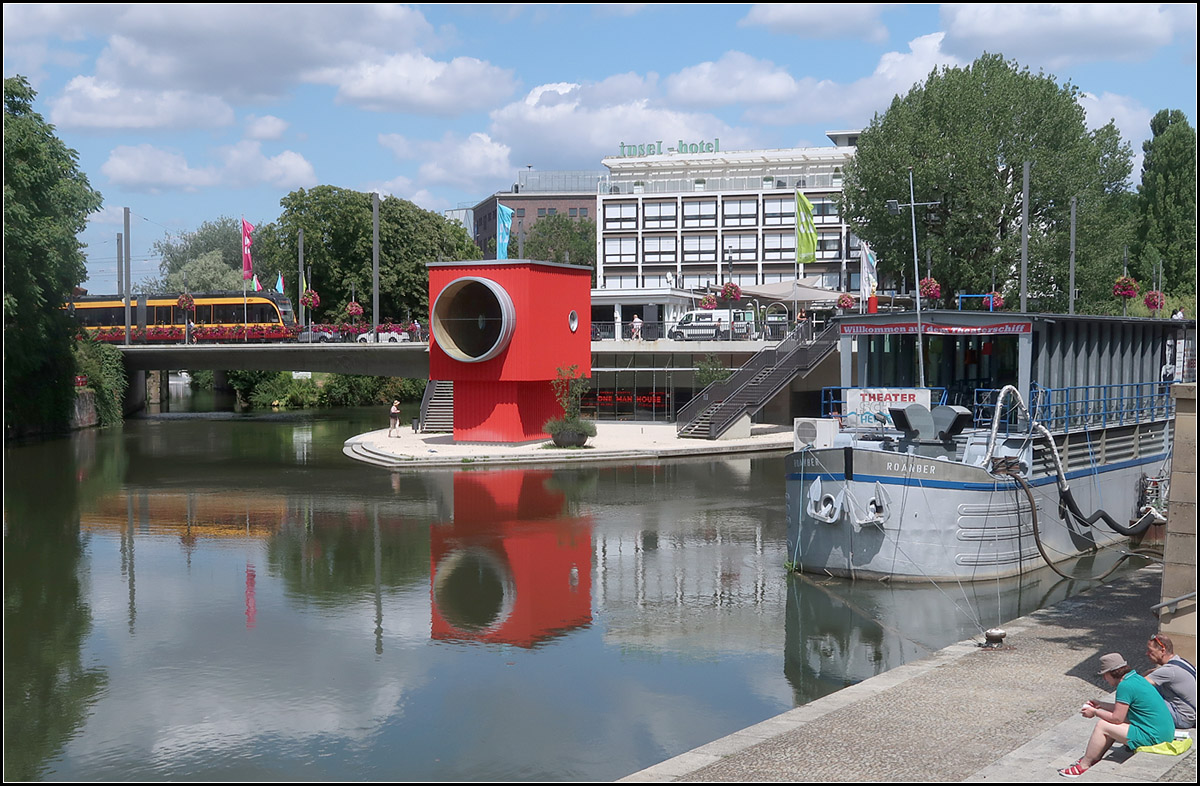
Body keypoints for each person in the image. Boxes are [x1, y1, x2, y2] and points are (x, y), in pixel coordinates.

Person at [1059, 652, 1175, 777]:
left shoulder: (1124, 686)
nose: (1104, 679)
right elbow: (1123, 709)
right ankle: (1094, 757)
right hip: (1165, 732)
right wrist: (1100, 704)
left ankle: (1084, 765)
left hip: (1154, 736)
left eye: (1105, 675)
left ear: (1111, 673)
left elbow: (1117, 718)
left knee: (1103, 725)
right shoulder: (1135, 678)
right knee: (1110, 724)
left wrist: (1095, 712)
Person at [1146, 634, 1197, 729]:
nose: (1147, 653)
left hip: (1183, 719)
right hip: (1191, 715)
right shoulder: (1181, 662)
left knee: (1143, 697)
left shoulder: (1169, 670)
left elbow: (1138, 685)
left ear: (1162, 651)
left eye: (1150, 651)